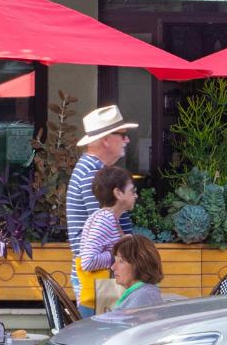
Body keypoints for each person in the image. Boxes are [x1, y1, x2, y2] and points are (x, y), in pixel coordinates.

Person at [66, 105, 137, 316]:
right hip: (101, 284)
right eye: (122, 134)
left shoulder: (92, 169)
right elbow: (103, 224)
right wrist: (124, 253)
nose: (127, 140)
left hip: (102, 282)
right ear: (106, 139)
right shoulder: (93, 173)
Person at [77, 165, 136, 312]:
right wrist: (115, 254)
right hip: (98, 303)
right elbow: (88, 262)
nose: (136, 196)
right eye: (132, 191)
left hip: (100, 301)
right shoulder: (105, 219)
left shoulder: (107, 218)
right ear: (118, 193)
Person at [110, 235, 164, 310]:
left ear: (140, 264)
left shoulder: (144, 296)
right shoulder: (141, 292)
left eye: (121, 261)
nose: (112, 267)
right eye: (115, 260)